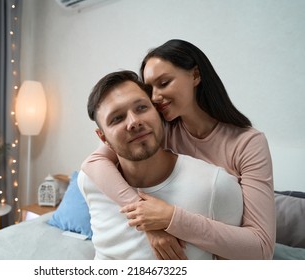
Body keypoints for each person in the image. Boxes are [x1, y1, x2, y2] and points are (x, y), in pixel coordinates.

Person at [81, 39, 275, 260]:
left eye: (163, 83)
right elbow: (93, 163)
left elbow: (261, 248)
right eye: (150, 89)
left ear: (195, 75)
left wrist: (170, 219)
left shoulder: (247, 143)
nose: (154, 97)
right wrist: (146, 219)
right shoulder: (158, 126)